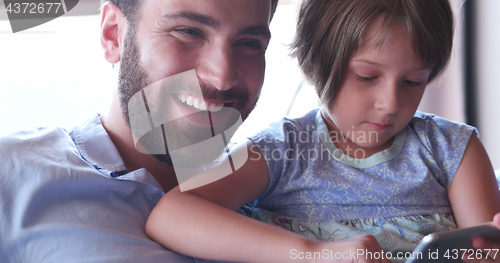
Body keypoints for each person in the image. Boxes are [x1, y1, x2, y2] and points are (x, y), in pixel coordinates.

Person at [145, 0, 500, 262]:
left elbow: (485, 245)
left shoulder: (452, 149)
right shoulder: (282, 150)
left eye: (412, 81)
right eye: (367, 77)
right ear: (312, 65)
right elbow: (170, 216)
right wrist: (317, 253)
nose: (391, 103)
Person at [0, 0, 278, 262]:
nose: (223, 77)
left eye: (250, 44)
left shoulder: (284, 189)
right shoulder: (12, 176)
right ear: (113, 34)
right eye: (188, 31)